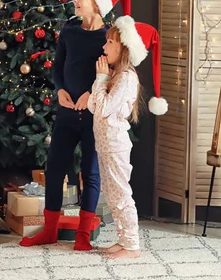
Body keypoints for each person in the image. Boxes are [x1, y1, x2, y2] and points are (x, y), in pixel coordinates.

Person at [19, 0, 132, 251]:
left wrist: (89, 94)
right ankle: (50, 230)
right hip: (67, 114)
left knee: (90, 173)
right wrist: (59, 90)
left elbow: (114, 75)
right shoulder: (69, 32)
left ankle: (83, 234)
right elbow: (58, 68)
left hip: (94, 117)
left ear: (97, 3)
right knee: (55, 169)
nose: (75, 0)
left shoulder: (108, 38)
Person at [88, 13, 168, 258]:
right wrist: (102, 81)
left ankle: (132, 245)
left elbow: (101, 107)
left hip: (115, 145)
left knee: (121, 193)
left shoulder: (126, 78)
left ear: (123, 48)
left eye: (110, 42)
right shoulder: (115, 76)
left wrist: (100, 78)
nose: (104, 47)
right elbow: (93, 105)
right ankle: (123, 240)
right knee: (112, 194)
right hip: (105, 145)